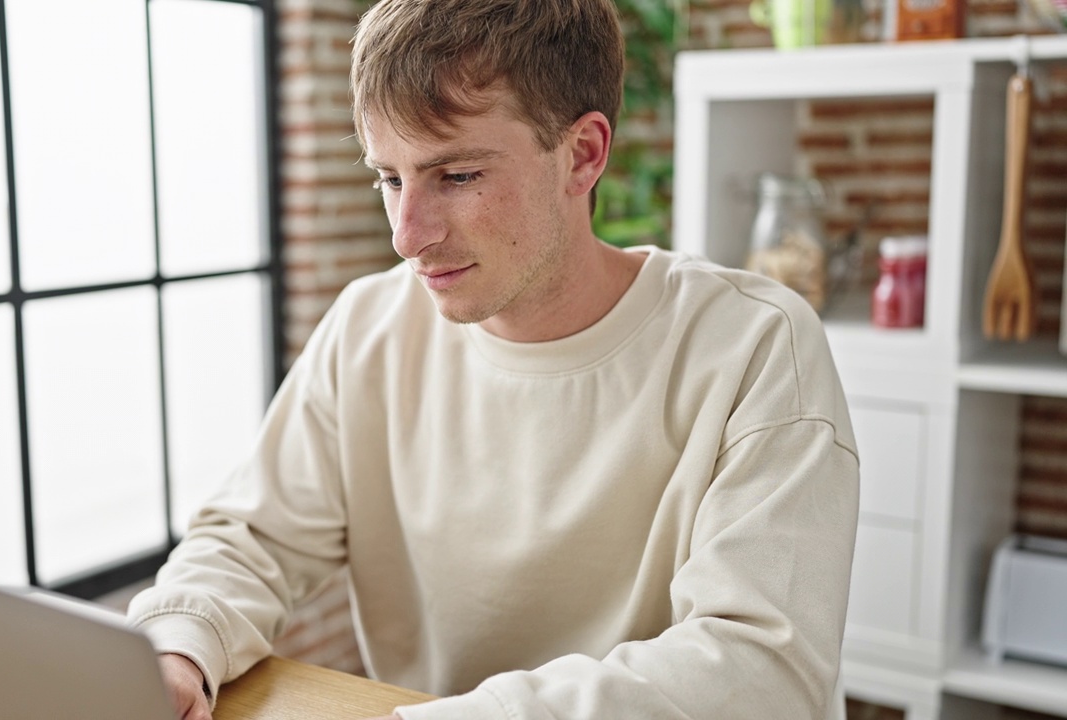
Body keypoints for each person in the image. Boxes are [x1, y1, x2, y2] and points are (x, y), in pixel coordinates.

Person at [127, 0, 860, 717]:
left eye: (457, 176)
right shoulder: (370, 326)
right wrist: (179, 646)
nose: (407, 236)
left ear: (582, 155)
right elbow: (253, 538)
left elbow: (761, 671)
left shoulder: (755, 345)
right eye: (390, 178)